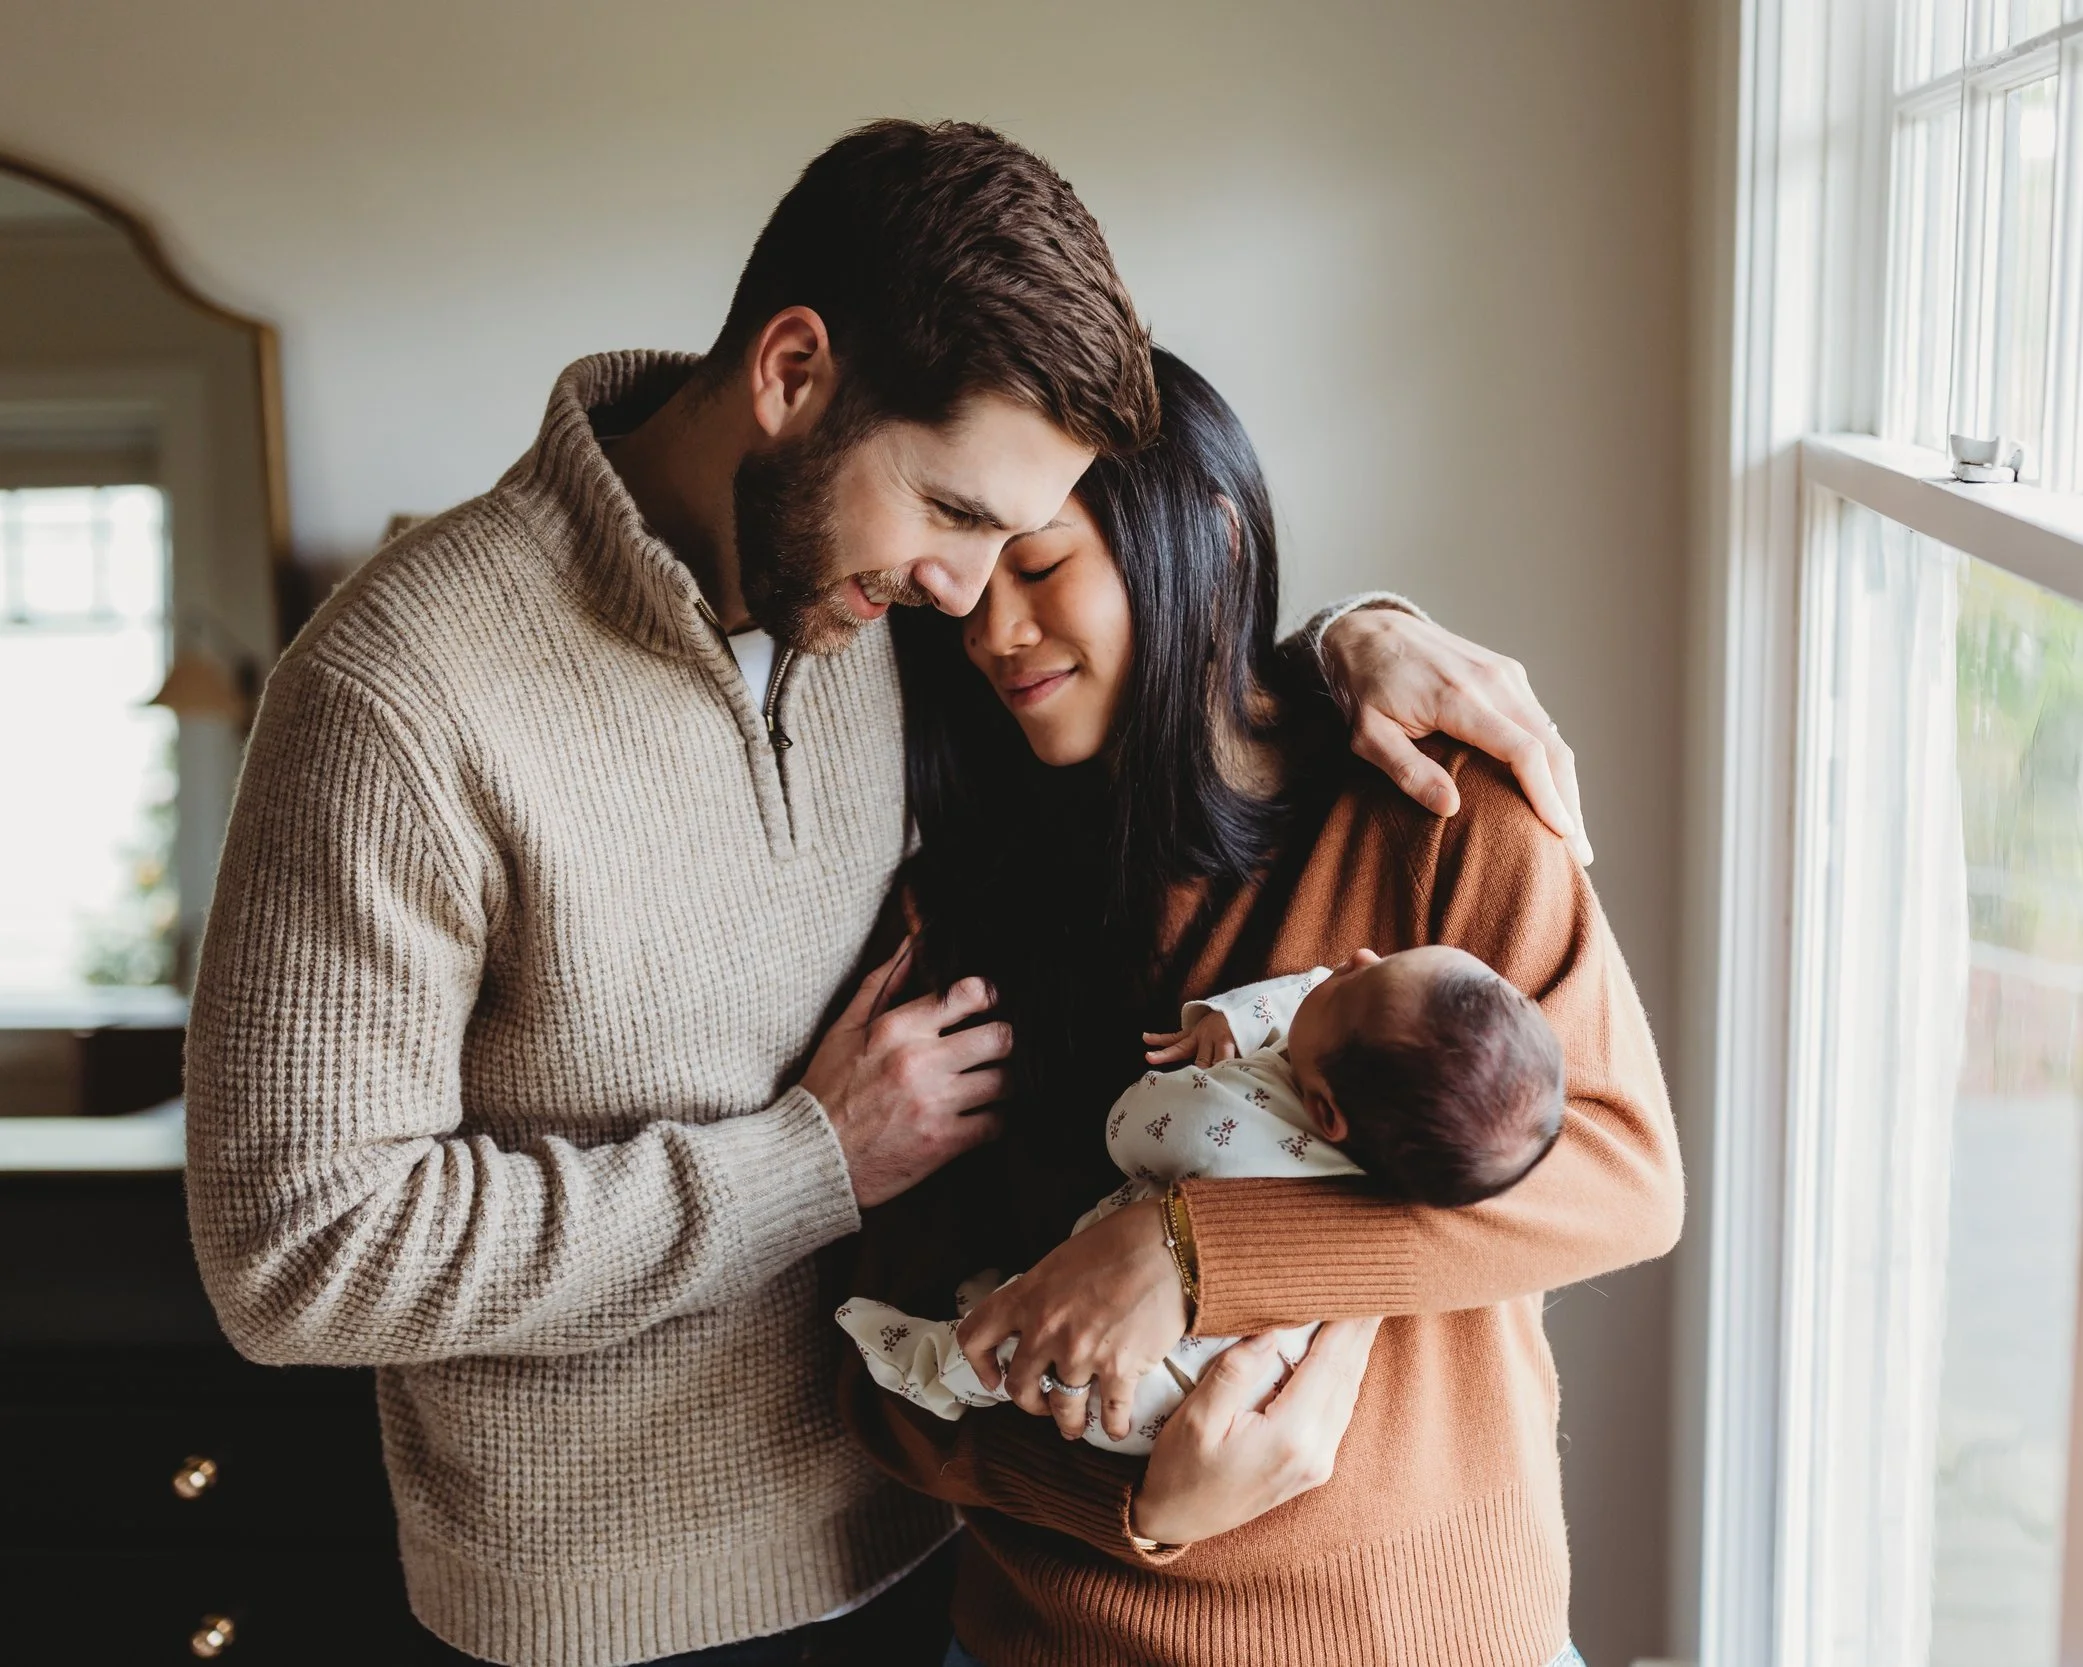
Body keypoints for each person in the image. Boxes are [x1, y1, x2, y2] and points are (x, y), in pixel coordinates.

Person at [184, 120, 1595, 1667]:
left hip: (924, 1544)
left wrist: (1340, 640)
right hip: (609, 1606)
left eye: (1009, 540)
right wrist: (805, 1160)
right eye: (953, 517)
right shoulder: (399, 695)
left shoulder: (864, 610)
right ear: (791, 375)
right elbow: (294, 1254)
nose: (966, 595)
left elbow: (1152, 635)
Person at [838, 348, 1681, 1666]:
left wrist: (1190, 1253)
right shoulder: (956, 905)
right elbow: (884, 1364)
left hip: (1440, 1630)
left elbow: (1619, 1171)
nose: (993, 632)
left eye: (1042, 565)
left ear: (1209, 546)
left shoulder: (1434, 811)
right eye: (963, 583)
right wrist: (1128, 1501)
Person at [837, 946, 1564, 1453]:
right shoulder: (1397, 1124)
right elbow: (1311, 1001)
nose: (1358, 957)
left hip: (1161, 1387)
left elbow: (1130, 1127)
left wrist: (1187, 1244)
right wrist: (1239, 1019)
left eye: (1346, 986)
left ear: (1323, 1110)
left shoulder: (1238, 1121)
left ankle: (941, 1366)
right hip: (1252, 1394)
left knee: (1030, 1345)